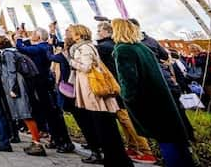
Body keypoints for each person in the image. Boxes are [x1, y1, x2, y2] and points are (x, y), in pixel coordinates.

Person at [111, 19, 196, 167]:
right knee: (175, 138)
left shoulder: (122, 50)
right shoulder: (142, 47)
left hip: (148, 101)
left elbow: (128, 80)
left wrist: (126, 98)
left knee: (165, 139)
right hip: (162, 98)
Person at [67, 24, 133, 167]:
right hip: (90, 89)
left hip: (94, 91)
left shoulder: (84, 48)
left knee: (104, 125)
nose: (70, 35)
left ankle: (116, 159)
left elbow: (86, 67)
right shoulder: (84, 47)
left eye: (72, 33)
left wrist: (71, 61)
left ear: (79, 34)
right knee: (103, 125)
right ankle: (115, 158)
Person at [98, 22, 156, 164]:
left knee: (125, 118)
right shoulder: (118, 45)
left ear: (107, 32)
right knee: (122, 117)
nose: (97, 32)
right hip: (119, 85)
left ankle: (146, 150)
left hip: (117, 86)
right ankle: (132, 146)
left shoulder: (105, 47)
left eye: (99, 30)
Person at [17, 28, 76, 153]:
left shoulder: (40, 47)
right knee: (50, 114)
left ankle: (62, 141)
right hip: (44, 82)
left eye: (33, 33)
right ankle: (56, 139)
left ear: (38, 36)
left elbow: (22, 48)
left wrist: (18, 38)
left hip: (42, 83)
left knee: (52, 114)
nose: (30, 35)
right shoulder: (44, 46)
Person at [0, 36, 45, 156]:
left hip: (18, 85)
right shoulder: (13, 51)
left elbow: (11, 71)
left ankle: (37, 143)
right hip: (20, 83)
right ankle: (35, 141)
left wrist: (12, 87)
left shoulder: (7, 53)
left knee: (25, 113)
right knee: (25, 114)